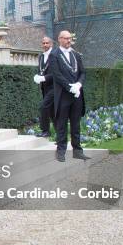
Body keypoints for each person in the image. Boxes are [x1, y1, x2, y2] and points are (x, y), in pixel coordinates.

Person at [49, 30, 90, 162]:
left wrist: (78, 85)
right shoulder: (54, 55)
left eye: (70, 38)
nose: (69, 41)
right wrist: (69, 87)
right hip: (63, 96)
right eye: (66, 38)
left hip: (77, 95)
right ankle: (61, 151)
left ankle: (77, 151)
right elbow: (57, 75)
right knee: (61, 124)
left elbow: (83, 72)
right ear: (59, 39)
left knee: (76, 124)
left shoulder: (76, 54)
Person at [33, 36, 54, 137]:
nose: (45, 45)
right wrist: (38, 76)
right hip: (45, 88)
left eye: (47, 43)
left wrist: (44, 78)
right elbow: (41, 69)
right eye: (43, 43)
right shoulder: (41, 56)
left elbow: (56, 73)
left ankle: (45, 131)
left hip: (54, 87)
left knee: (43, 106)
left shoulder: (55, 55)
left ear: (51, 44)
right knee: (52, 110)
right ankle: (59, 133)